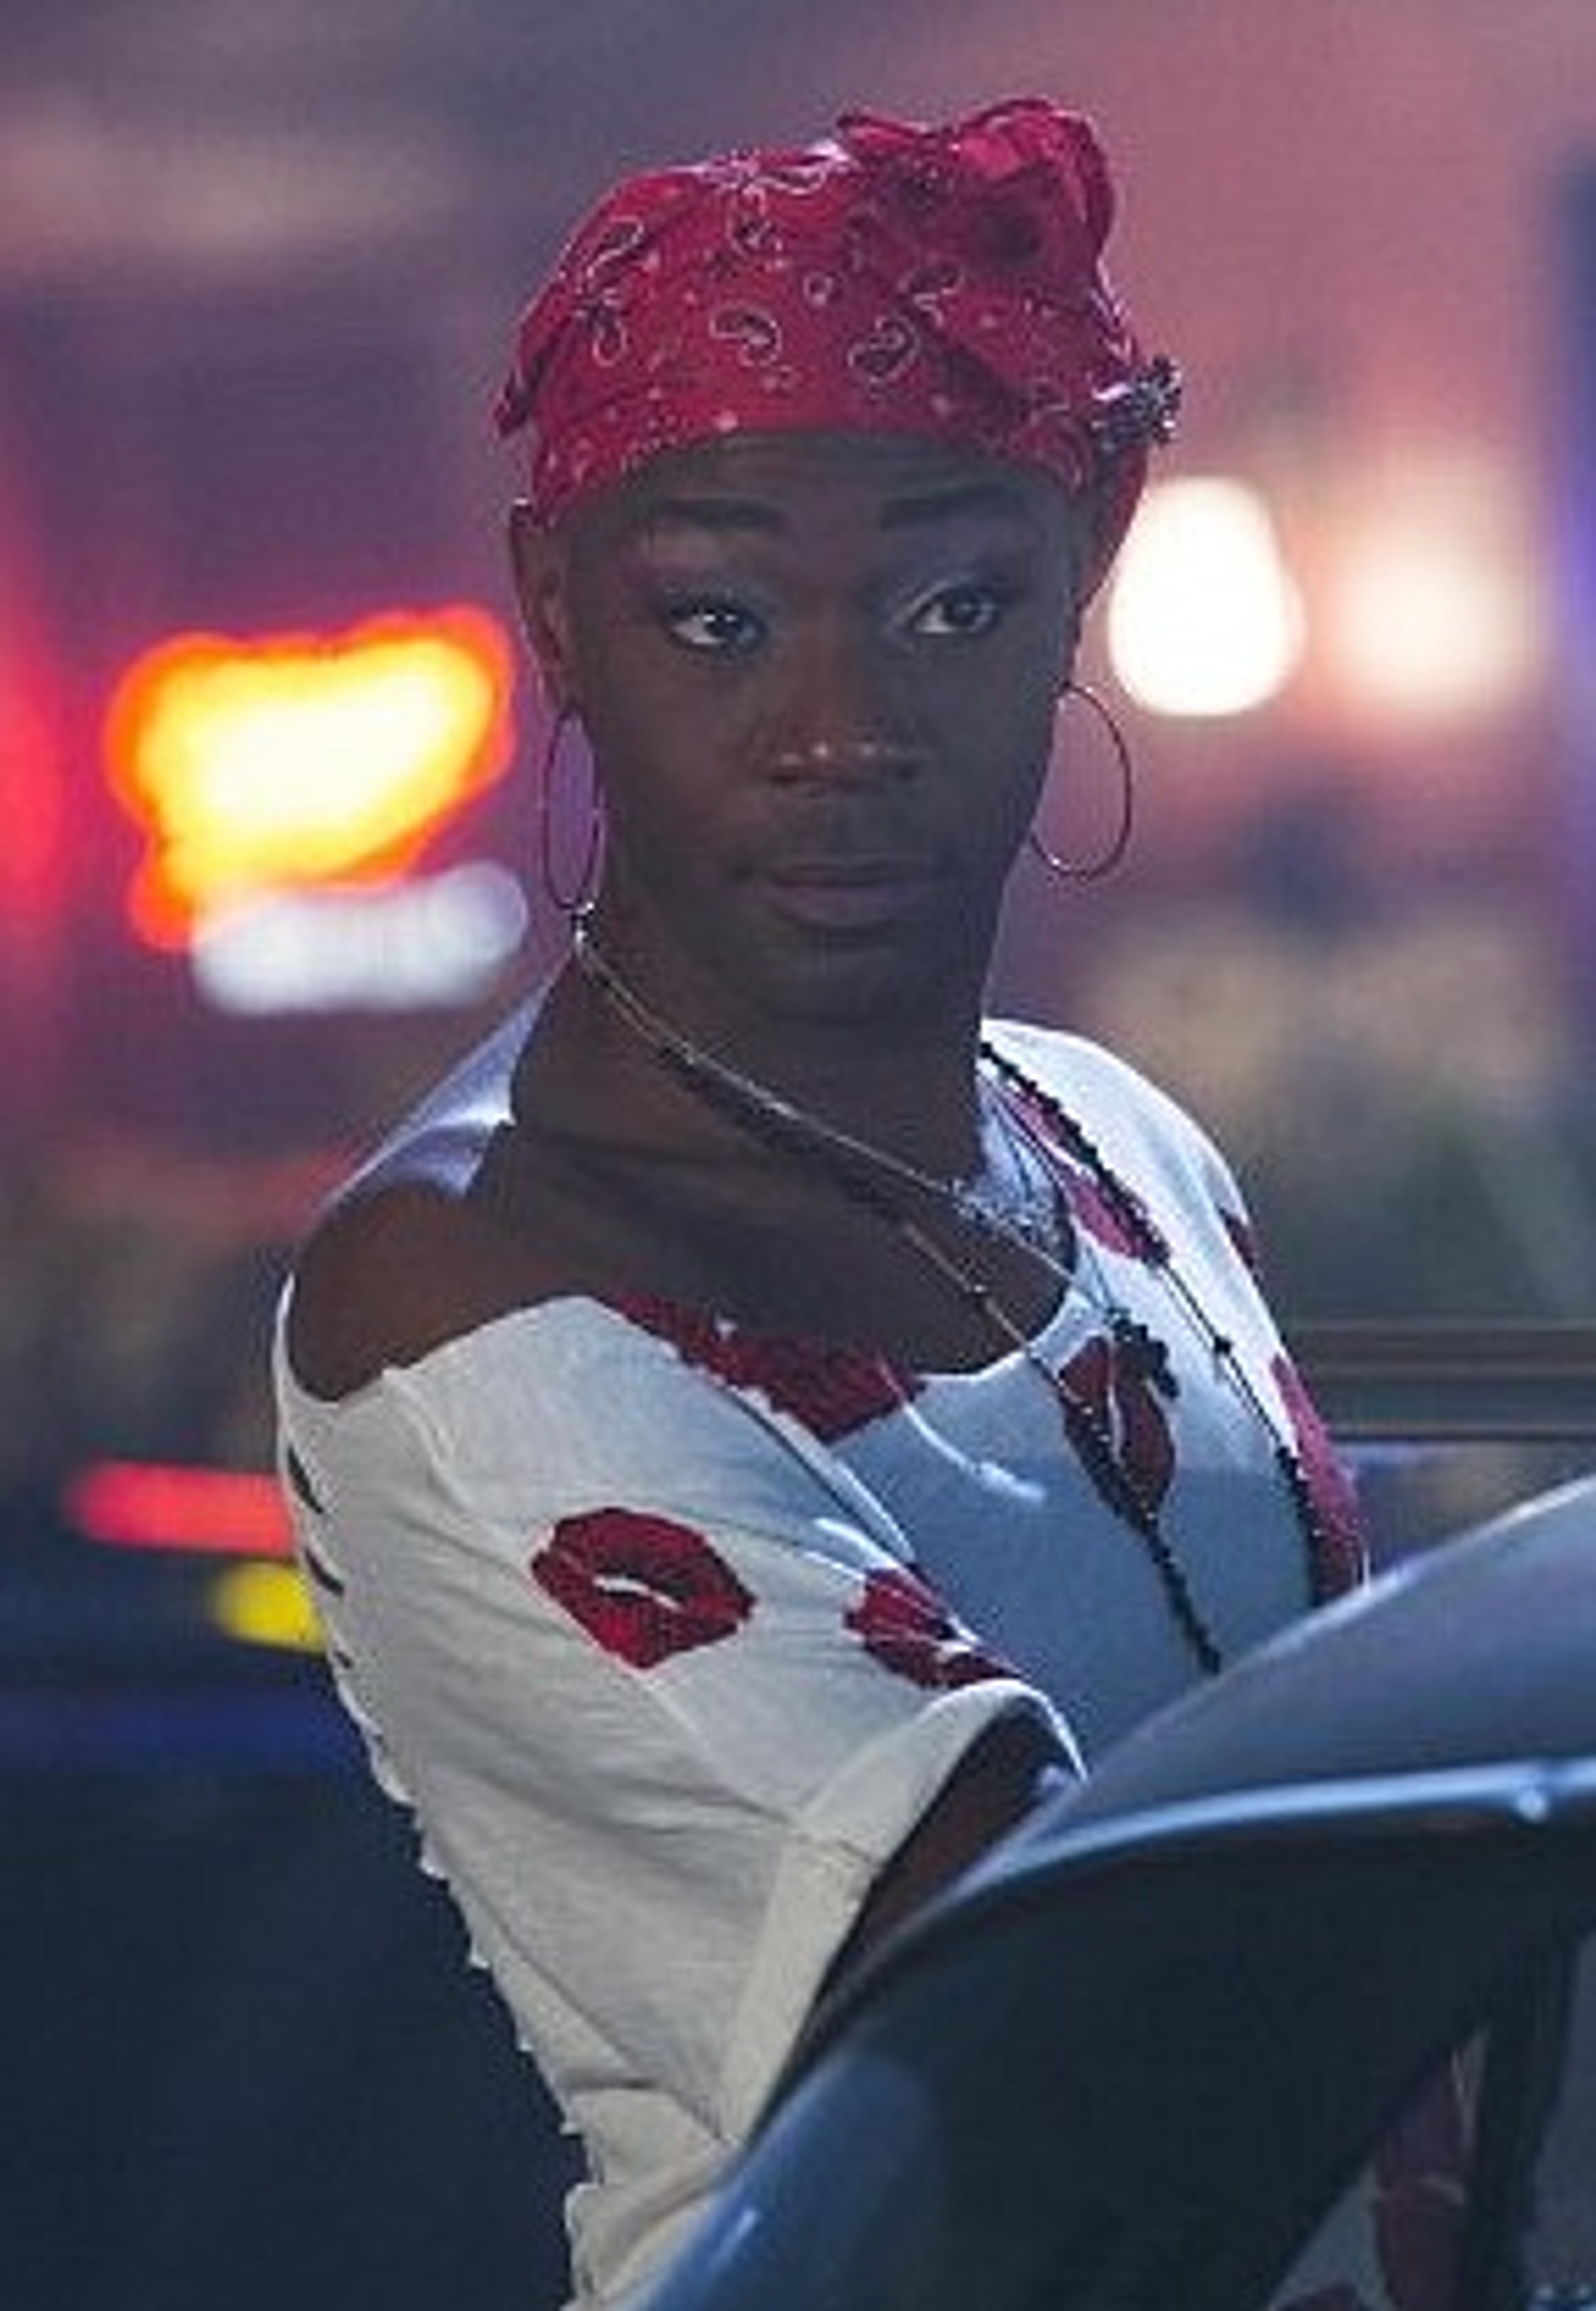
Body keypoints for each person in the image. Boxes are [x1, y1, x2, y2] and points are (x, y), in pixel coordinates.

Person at [275, 99, 1454, 2311]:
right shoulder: (474, 1293)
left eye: (954, 604)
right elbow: (1035, 2012)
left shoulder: (1122, 1144)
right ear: (560, 611)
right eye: (719, 617)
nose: (842, 727)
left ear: (1083, 575)